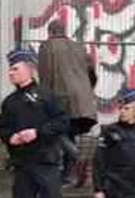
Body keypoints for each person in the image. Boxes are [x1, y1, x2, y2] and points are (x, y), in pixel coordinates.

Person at [0, 48, 69, 198]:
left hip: (45, 161)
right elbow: (2, 128)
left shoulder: (46, 96)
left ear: (29, 69)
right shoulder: (9, 102)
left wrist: (38, 132)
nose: (11, 73)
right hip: (22, 163)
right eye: (9, 69)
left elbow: (62, 121)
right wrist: (11, 138)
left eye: (15, 68)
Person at [38, 19, 99, 186]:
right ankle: (69, 175)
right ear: (64, 31)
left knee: (53, 131)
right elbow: (92, 74)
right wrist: (86, 92)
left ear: (50, 32)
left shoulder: (47, 47)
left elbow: (45, 75)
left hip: (61, 98)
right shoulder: (79, 47)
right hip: (83, 100)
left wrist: (43, 99)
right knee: (68, 133)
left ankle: (77, 157)